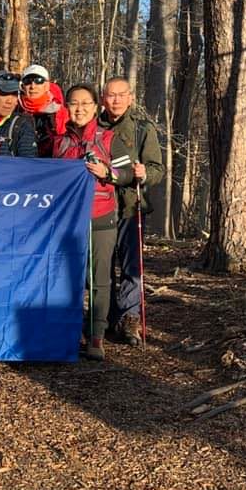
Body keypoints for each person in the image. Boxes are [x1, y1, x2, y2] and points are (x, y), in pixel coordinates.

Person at [53, 83, 133, 360]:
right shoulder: (59, 141)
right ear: (67, 107)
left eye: (85, 103)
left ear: (96, 106)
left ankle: (96, 336)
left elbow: (128, 173)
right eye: (74, 103)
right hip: (67, 222)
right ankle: (68, 332)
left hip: (101, 217)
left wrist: (107, 172)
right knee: (67, 278)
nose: (79, 109)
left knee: (100, 280)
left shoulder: (109, 138)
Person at [99, 77, 164, 345]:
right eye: (110, 95)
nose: (115, 100)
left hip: (129, 206)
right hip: (99, 206)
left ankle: (129, 318)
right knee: (102, 267)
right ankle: (104, 317)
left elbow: (157, 169)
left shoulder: (141, 129)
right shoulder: (94, 125)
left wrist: (145, 173)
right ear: (103, 98)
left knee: (130, 266)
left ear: (130, 98)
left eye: (120, 95)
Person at [18, 63, 68, 157]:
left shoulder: (59, 111)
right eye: (28, 81)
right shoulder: (16, 108)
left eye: (39, 81)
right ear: (22, 86)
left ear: (47, 86)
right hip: (22, 162)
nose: (33, 86)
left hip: (52, 162)